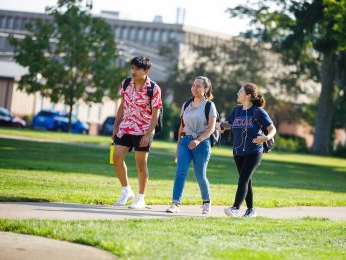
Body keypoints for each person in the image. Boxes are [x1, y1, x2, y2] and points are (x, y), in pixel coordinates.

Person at [216, 83, 276, 217]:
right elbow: (228, 125)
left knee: (243, 179)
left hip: (254, 151)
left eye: (240, 91)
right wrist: (215, 124)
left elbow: (273, 129)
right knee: (246, 179)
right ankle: (251, 209)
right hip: (238, 151)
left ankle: (235, 208)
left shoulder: (258, 111)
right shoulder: (236, 110)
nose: (238, 93)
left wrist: (266, 137)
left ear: (248, 95)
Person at [112, 56, 163, 209]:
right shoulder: (126, 84)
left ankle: (141, 198)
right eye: (132, 68)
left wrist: (148, 134)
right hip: (126, 127)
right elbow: (122, 106)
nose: (133, 71)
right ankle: (126, 190)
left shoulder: (153, 88)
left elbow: (156, 113)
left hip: (143, 129)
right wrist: (116, 126)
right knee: (116, 157)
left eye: (138, 69)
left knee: (141, 163)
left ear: (146, 71)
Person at [166, 76, 217, 214]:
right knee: (180, 172)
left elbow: (211, 128)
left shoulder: (209, 106)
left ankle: (206, 202)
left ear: (206, 89)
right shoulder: (186, 104)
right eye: (193, 85)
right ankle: (175, 203)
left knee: (200, 174)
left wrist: (198, 140)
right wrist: (178, 146)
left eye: (198, 86)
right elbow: (181, 127)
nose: (195, 88)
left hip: (202, 142)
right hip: (184, 142)